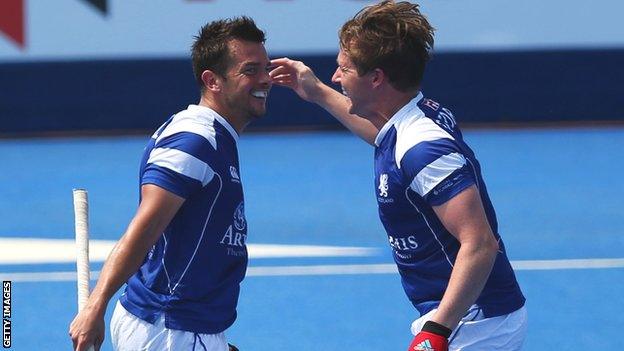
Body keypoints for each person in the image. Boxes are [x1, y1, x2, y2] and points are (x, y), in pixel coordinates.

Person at [269, 1, 527, 350]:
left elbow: (480, 243)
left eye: (343, 69)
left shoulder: (424, 149)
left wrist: (437, 330)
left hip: (474, 322)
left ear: (376, 78)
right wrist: (315, 91)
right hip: (459, 314)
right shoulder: (408, 121)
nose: (335, 77)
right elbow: (381, 133)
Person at [69, 17, 272, 351]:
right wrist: (95, 305)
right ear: (213, 81)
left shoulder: (213, 136)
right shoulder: (195, 140)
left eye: (266, 67)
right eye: (250, 70)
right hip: (171, 329)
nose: (266, 79)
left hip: (179, 326)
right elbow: (145, 227)